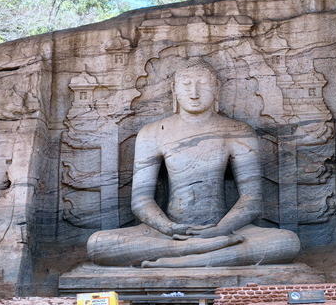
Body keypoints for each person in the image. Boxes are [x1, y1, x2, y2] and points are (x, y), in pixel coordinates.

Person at [87, 58, 300, 268]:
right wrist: (168, 227)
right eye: (186, 84)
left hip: (227, 230)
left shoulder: (239, 132)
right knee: (97, 244)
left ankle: (186, 256)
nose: (194, 92)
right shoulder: (152, 133)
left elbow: (251, 199)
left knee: (287, 242)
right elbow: (141, 201)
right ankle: (191, 251)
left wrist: (220, 229)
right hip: (167, 234)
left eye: (203, 84)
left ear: (216, 88)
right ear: (174, 90)